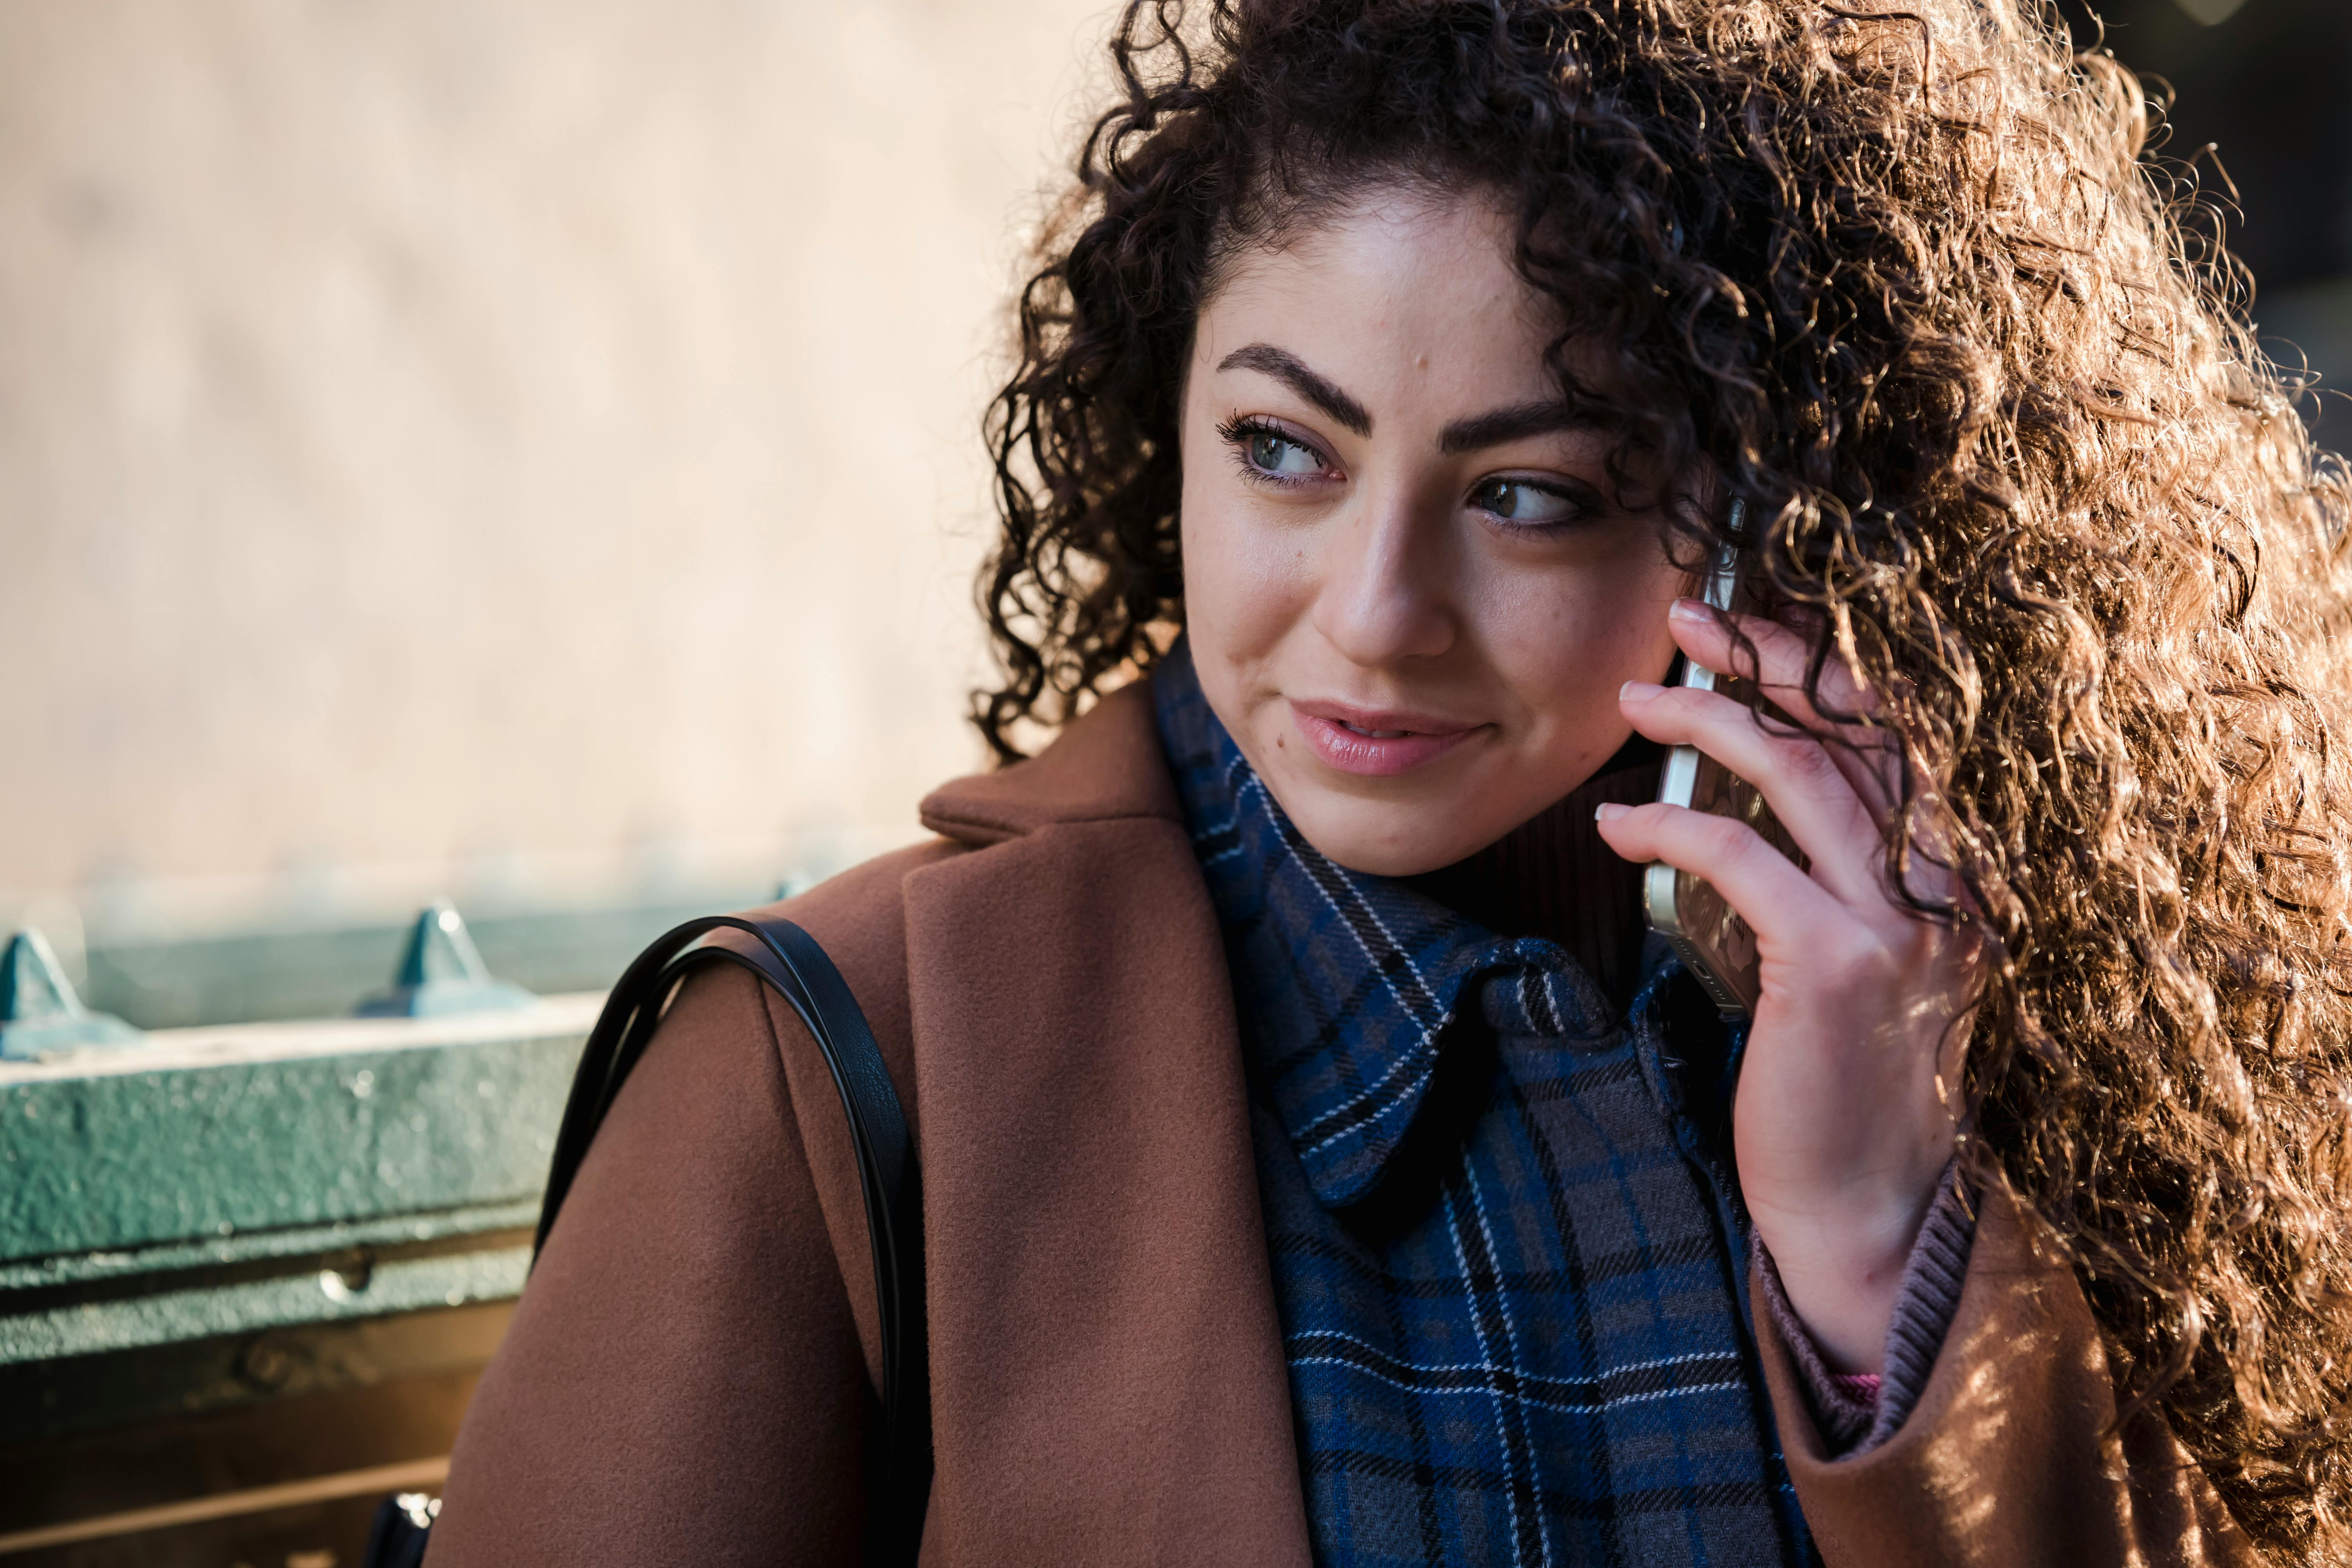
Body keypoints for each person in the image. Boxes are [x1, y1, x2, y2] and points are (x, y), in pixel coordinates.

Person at [426, 1, 2352, 1562]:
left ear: (1775, 515)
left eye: (1529, 493)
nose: (1373, 613)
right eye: (1284, 448)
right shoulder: (837, 1063)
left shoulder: (2005, 1032)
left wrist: (1876, 1244)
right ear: (1168, 416)